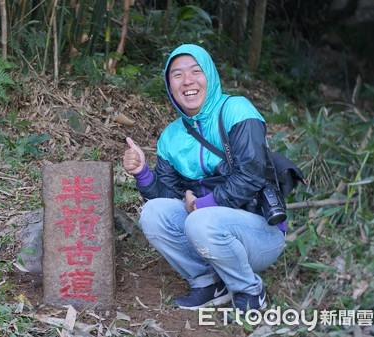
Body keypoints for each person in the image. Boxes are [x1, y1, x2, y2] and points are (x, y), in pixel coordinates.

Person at [122, 44, 286, 315]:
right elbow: (167, 199)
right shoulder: (171, 137)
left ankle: (249, 291)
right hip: (209, 230)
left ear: (209, 75)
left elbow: (251, 174)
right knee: (153, 212)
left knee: (201, 219)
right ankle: (209, 284)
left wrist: (204, 203)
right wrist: (142, 173)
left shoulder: (236, 110)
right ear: (169, 85)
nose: (187, 81)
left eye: (196, 71)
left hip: (259, 235)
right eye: (177, 75)